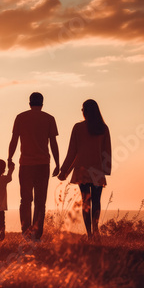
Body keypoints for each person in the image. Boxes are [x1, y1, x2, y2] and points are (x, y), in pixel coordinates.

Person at [8, 92, 60, 241]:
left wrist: (9, 157)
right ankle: (36, 234)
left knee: (25, 200)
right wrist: (57, 163)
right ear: (42, 103)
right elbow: (53, 143)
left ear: (29, 103)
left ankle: (26, 232)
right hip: (43, 164)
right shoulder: (49, 119)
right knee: (40, 201)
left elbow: (14, 140)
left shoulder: (21, 117)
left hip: (26, 164)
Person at [58, 99, 112, 239]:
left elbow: (72, 152)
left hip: (82, 170)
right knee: (96, 200)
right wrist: (106, 169)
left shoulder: (78, 128)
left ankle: (89, 234)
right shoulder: (103, 128)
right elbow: (107, 151)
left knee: (85, 201)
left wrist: (64, 170)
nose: (82, 112)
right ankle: (95, 229)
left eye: (82, 109)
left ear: (86, 111)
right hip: (97, 169)